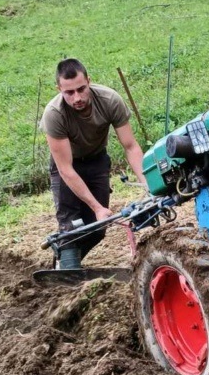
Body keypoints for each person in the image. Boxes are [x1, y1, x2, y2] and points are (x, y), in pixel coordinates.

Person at [42, 58, 147, 269]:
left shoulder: (109, 100)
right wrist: (96, 206)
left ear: (89, 81)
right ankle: (68, 270)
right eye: (69, 93)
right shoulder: (54, 114)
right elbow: (66, 169)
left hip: (97, 161)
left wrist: (147, 183)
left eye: (81, 89)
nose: (77, 98)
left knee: (98, 227)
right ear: (59, 89)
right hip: (67, 167)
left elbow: (130, 146)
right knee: (71, 227)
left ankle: (65, 260)